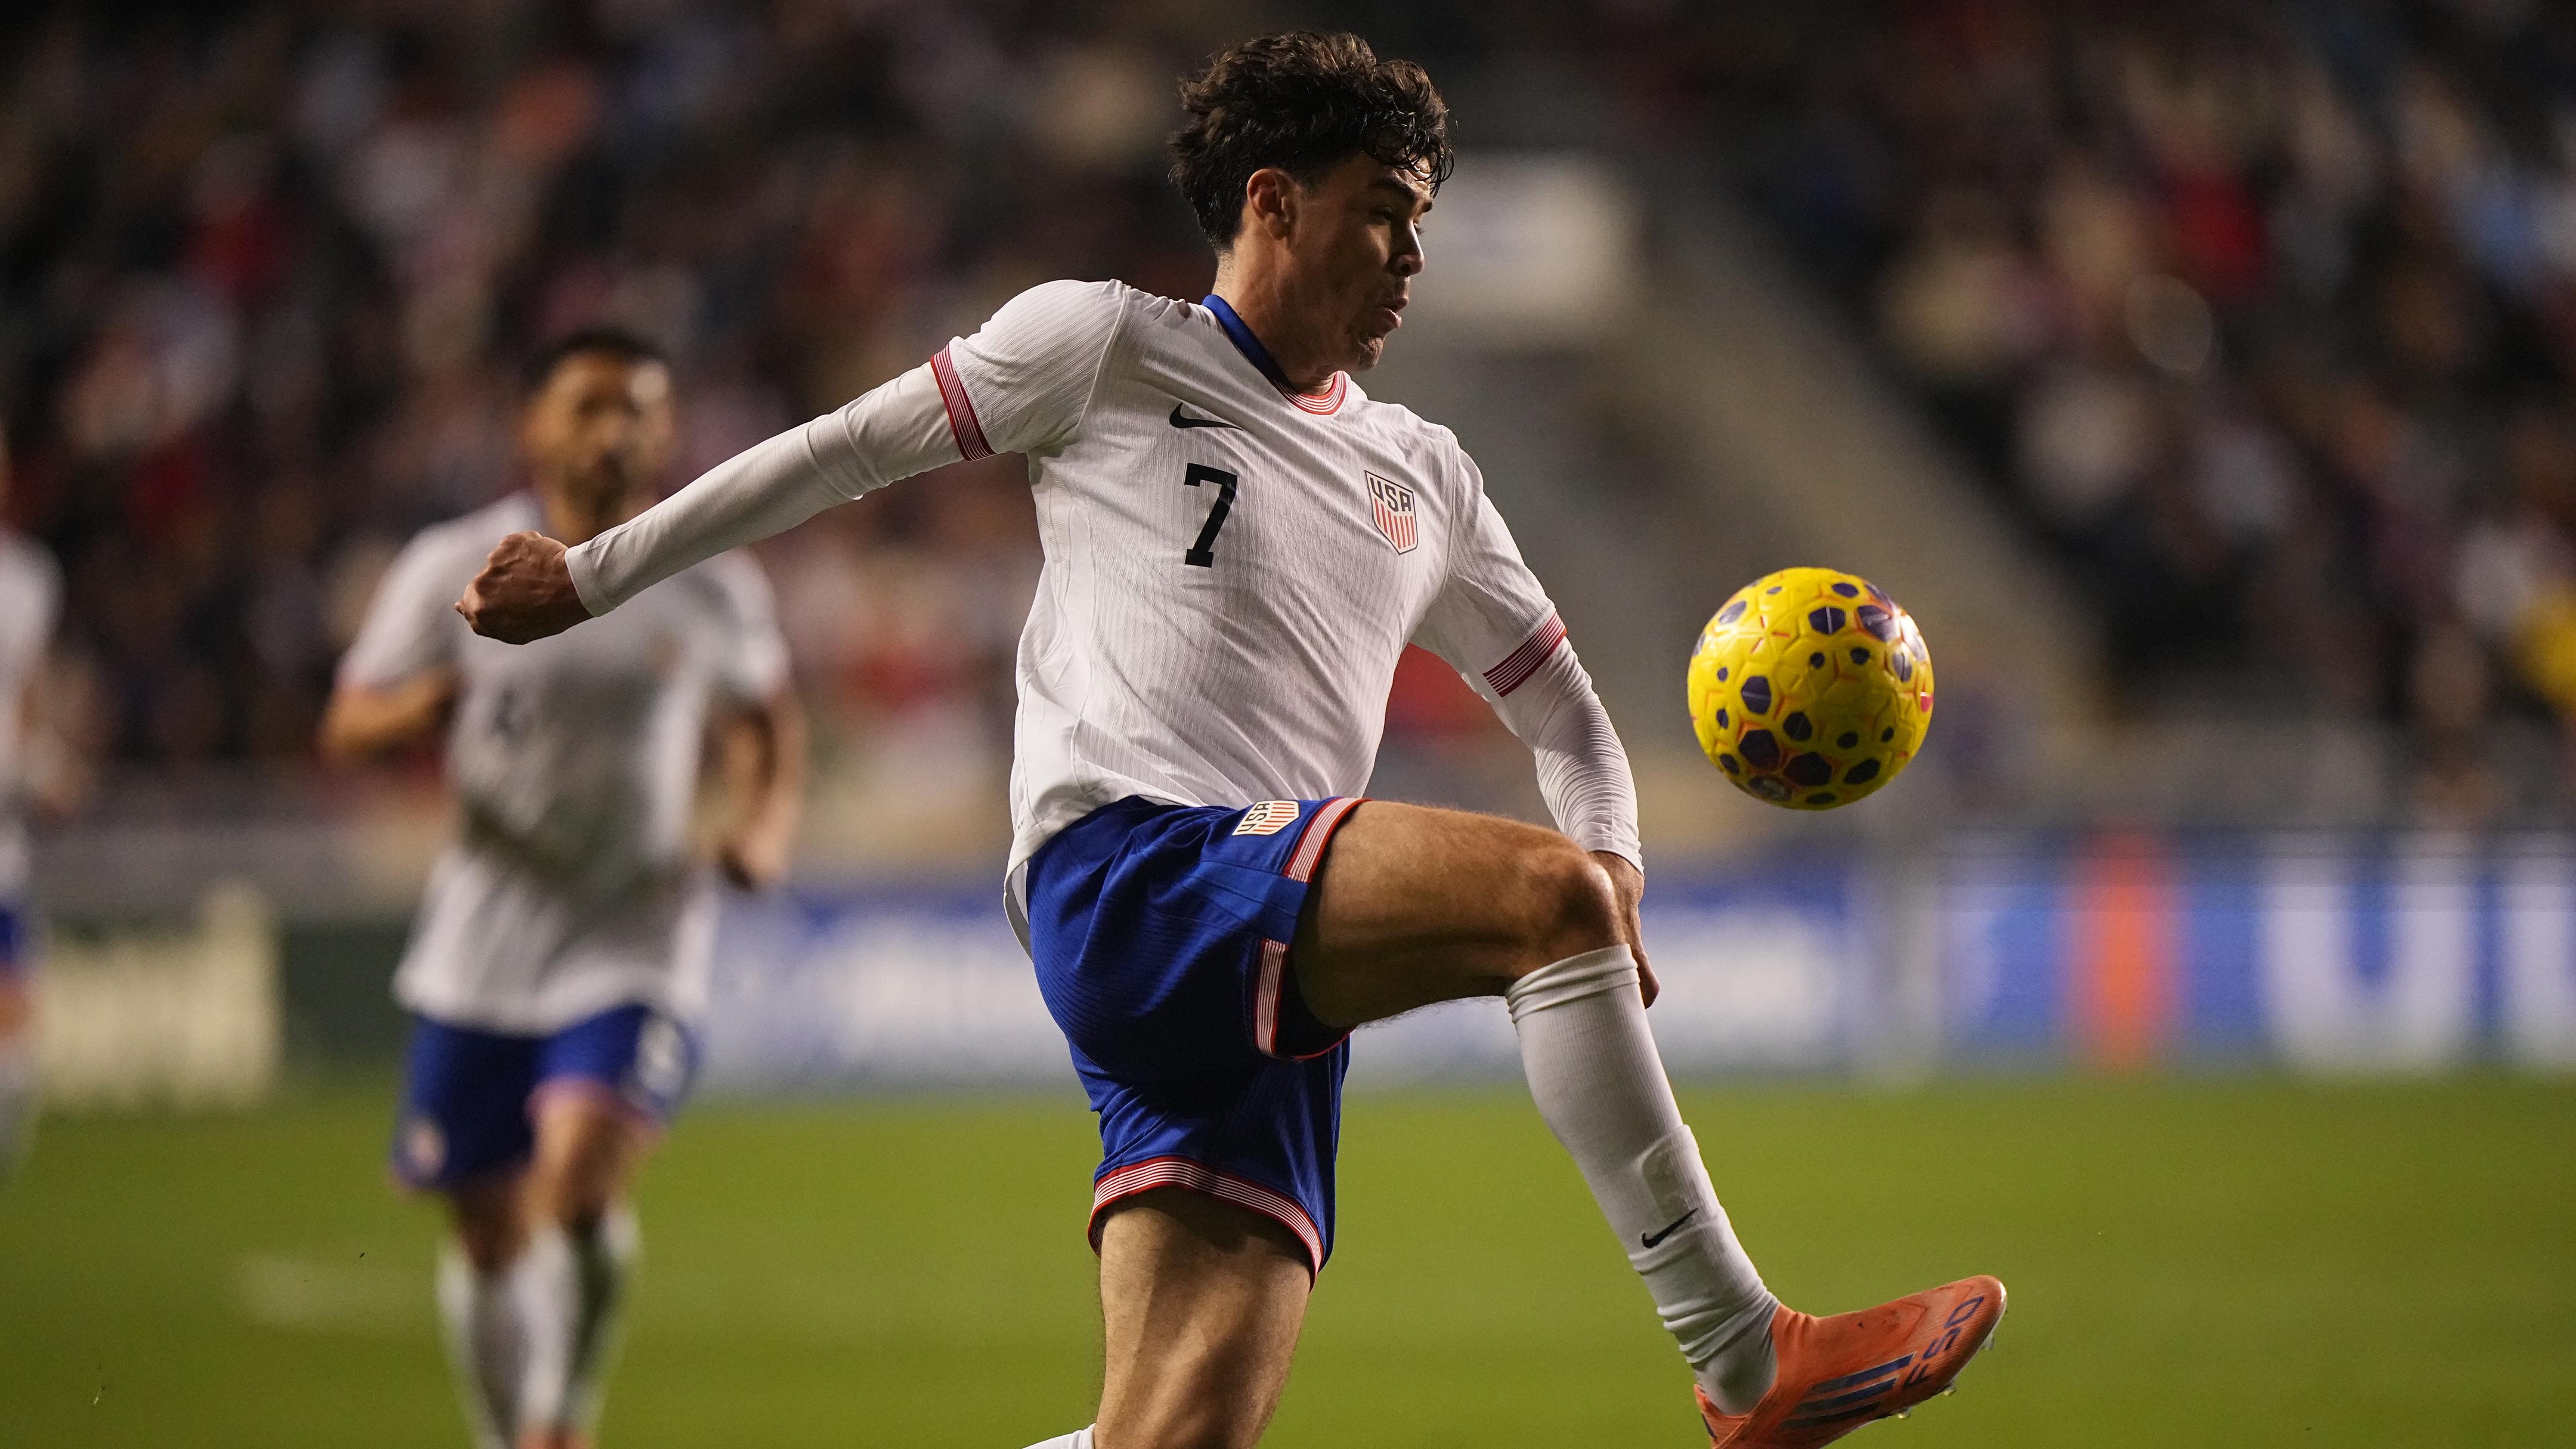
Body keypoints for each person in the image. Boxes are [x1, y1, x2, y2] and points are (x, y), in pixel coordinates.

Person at [453, 33, 2002, 1449]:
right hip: (1130, 873)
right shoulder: (1102, 346)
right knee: (1543, 905)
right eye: (1385, 210)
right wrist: (591, 573)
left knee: (1174, 1436)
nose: (1410, 257)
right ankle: (1747, 1359)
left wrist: (1616, 854)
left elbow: (1568, 714)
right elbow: (842, 449)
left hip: (1258, 974)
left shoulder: (1426, 472)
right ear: (1274, 199)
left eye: (1423, 221)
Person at [323, 330, 806, 1449]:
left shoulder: (708, 576)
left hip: (635, 924)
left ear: (668, 431)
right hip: (484, 933)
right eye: (589, 406)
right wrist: (430, 705)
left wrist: (765, 825)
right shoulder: (451, 565)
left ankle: (564, 1418)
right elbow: (346, 721)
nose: (615, 431)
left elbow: (766, 723)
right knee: (487, 1230)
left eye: (638, 408)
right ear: (531, 426)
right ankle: (512, 1437)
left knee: (581, 1182)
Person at [0, 423, 75, 1183]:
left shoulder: (26, 579)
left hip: (3, 838)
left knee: (14, 1013)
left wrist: (44, 768)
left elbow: (28, 700)